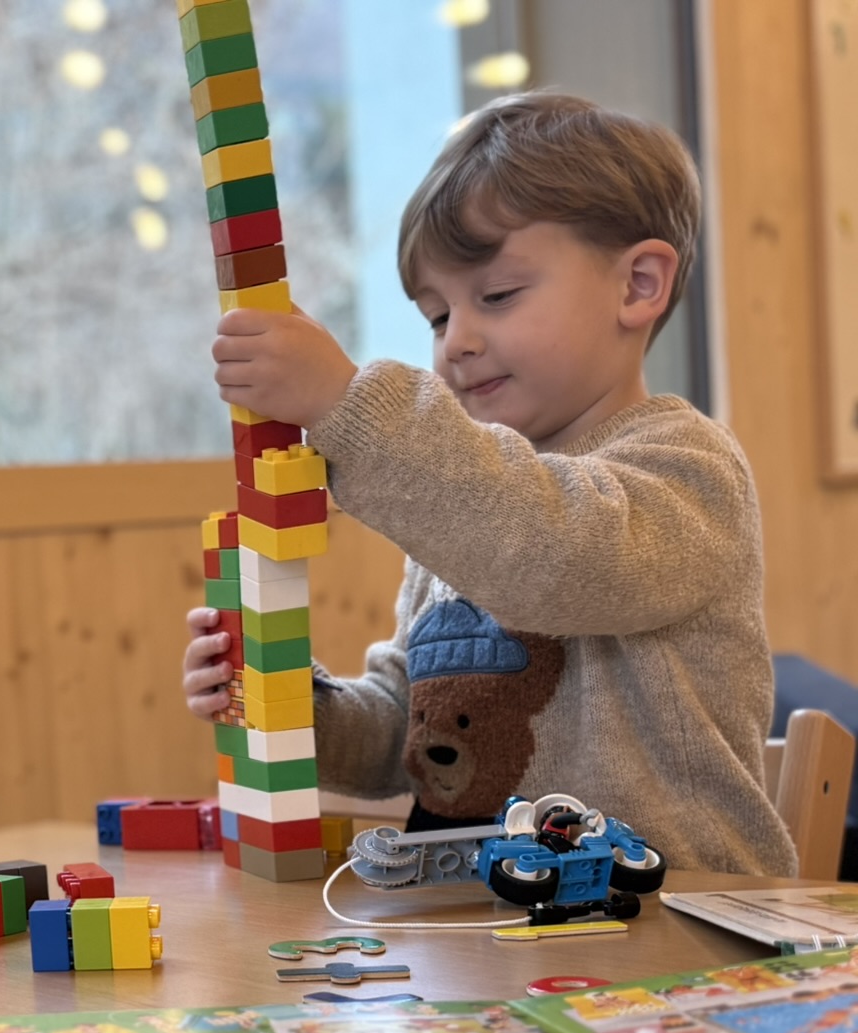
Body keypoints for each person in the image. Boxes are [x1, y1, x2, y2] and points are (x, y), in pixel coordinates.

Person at [185, 92, 796, 876]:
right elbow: (405, 736)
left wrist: (346, 405)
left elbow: (556, 557)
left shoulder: (687, 470)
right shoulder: (467, 509)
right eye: (437, 317)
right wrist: (290, 705)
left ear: (638, 284)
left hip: (673, 926)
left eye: (497, 297)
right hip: (486, 937)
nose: (459, 342)